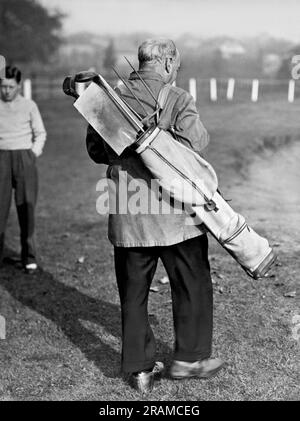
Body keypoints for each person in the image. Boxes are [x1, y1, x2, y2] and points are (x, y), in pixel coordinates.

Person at [86, 39, 224, 393]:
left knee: (133, 294)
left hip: (128, 213)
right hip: (176, 214)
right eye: (176, 65)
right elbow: (198, 143)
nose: (176, 70)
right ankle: (190, 360)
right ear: (165, 62)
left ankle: (140, 371)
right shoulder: (177, 98)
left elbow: (95, 151)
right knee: (193, 284)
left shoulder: (110, 96)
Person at [0, 66, 46, 271]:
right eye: (3, 87)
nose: (6, 91)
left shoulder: (29, 106)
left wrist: (32, 153)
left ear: (18, 85)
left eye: (10, 87)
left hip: (25, 158)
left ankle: (29, 257)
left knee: (26, 208)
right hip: (1, 158)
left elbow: (41, 133)